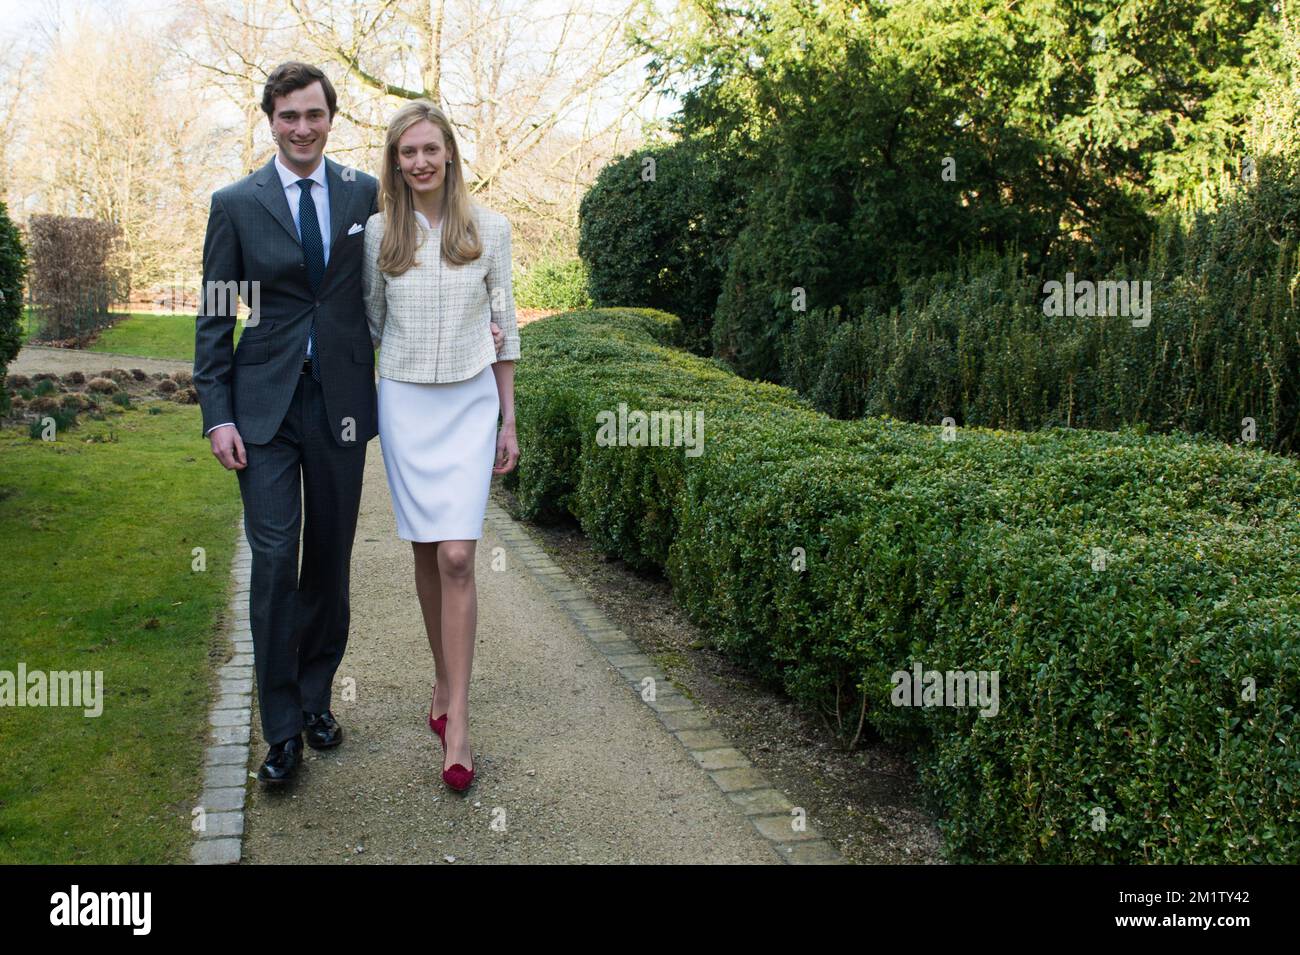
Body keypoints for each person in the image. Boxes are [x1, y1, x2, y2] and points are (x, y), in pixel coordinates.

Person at [193, 62, 508, 787]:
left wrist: (476, 331)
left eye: (313, 114)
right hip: (263, 408)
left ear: (330, 119)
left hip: (340, 406)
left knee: (329, 562)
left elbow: (420, 264)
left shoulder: (366, 197)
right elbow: (217, 316)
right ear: (270, 120)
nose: (301, 127)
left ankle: (315, 701)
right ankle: (279, 732)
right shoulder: (236, 205)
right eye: (287, 116)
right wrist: (218, 414)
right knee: (275, 562)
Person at [362, 99, 521, 793]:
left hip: (469, 402)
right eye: (407, 153)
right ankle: (441, 676)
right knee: (427, 549)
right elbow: (372, 321)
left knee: (459, 552)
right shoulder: (378, 233)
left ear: (450, 152)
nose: (420, 162)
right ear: (395, 162)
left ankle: (458, 718)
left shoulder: (491, 228)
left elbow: (505, 327)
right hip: (404, 401)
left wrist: (508, 420)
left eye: (430, 149)